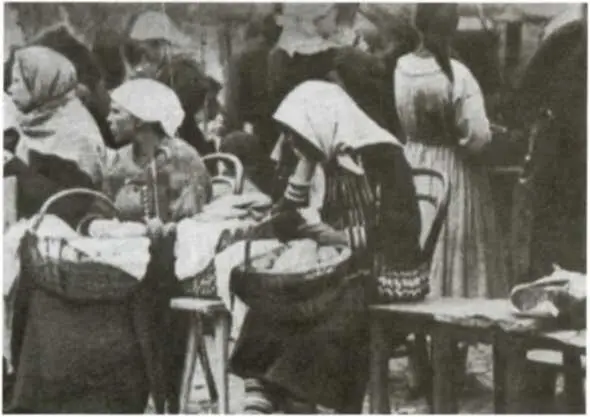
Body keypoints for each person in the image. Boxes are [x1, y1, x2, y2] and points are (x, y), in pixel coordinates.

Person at [230, 80, 424, 413]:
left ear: (320, 123)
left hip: (385, 270)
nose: (291, 144)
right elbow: (283, 223)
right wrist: (303, 170)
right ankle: (262, 389)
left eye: (297, 135)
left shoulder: (383, 154)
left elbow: (404, 230)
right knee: (271, 301)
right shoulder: (323, 155)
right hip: (338, 271)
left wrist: (342, 237)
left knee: (324, 321)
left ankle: (291, 396)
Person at [394, 3, 508, 392]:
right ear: (454, 27)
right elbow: (477, 136)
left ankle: (419, 361)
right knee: (456, 258)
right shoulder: (457, 74)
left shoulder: (402, 67)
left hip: (414, 165)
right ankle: (451, 364)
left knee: (420, 256)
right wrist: (480, 139)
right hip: (452, 171)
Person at [101, 78, 212, 412]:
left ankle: (163, 393)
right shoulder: (119, 161)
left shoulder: (180, 159)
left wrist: (160, 227)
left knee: (149, 286)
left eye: (116, 112)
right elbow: (105, 209)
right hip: (126, 255)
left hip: (174, 263)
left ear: (139, 119)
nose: (108, 118)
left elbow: (192, 220)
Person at [5, 45, 105, 225]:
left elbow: (74, 202)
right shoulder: (31, 121)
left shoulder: (77, 131)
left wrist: (15, 167)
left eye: (17, 81)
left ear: (40, 83)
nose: (10, 89)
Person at [126, 10, 216, 156]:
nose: (143, 58)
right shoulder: (162, 71)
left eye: (146, 51)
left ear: (161, 45)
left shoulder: (183, 70)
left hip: (187, 148)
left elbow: (176, 110)